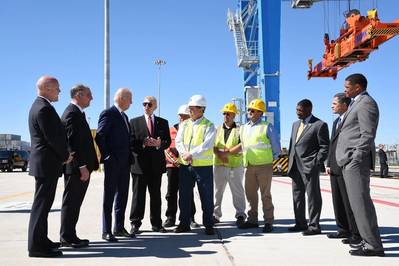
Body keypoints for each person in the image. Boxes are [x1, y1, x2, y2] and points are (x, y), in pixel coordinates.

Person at [336, 73, 384, 256]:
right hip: (349, 162)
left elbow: (367, 134)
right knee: (357, 205)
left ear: (358, 87)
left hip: (355, 163)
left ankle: (374, 245)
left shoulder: (366, 104)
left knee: (361, 204)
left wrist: (355, 157)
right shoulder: (356, 103)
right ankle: (367, 241)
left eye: (347, 86)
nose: (344, 89)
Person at [28, 76, 73, 257]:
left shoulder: (41, 106)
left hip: (46, 164)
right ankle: (36, 247)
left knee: (44, 205)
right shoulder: (43, 109)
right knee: (41, 205)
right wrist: (66, 156)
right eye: (57, 88)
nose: (59, 91)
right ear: (46, 88)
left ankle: (41, 240)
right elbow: (52, 138)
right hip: (47, 164)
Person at [60, 84, 99, 248]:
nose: (91, 98)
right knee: (71, 202)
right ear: (79, 94)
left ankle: (70, 235)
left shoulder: (78, 113)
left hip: (80, 168)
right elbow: (72, 143)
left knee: (75, 203)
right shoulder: (71, 113)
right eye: (89, 95)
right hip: (76, 168)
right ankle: (67, 237)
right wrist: (82, 166)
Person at [95, 88, 134, 242]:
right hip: (113, 163)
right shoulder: (109, 113)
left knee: (122, 196)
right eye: (130, 99)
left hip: (125, 164)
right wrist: (107, 156)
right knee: (109, 196)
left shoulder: (124, 116)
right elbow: (100, 136)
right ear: (122, 98)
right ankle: (106, 230)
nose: (131, 102)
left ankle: (119, 227)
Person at [174, 95, 217, 235]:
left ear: (202, 109)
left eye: (193, 108)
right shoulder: (184, 124)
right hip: (186, 166)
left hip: (203, 167)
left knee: (206, 196)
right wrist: (184, 154)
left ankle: (209, 224)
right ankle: (184, 223)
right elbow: (178, 141)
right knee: (185, 196)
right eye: (190, 108)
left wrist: (191, 154)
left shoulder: (209, 126)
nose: (190, 111)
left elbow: (207, 145)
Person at [238, 99, 280, 233]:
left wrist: (270, 159)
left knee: (265, 195)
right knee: (250, 195)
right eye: (249, 110)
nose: (250, 112)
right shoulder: (243, 128)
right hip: (249, 165)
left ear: (260, 113)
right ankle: (252, 220)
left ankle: (268, 222)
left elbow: (276, 147)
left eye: (253, 110)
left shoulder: (267, 126)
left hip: (264, 166)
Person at [129, 96, 171, 234]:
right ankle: (135, 223)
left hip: (156, 166)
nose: (147, 106)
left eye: (150, 104)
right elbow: (130, 142)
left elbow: (168, 141)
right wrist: (143, 142)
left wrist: (160, 144)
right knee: (138, 196)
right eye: (144, 104)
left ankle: (157, 224)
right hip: (139, 166)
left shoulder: (163, 122)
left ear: (155, 106)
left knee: (156, 196)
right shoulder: (134, 122)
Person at [287, 99, 329, 236]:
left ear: (309, 110)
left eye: (300, 110)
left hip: (309, 167)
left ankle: (314, 226)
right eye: (296, 110)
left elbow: (324, 147)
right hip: (295, 167)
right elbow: (293, 145)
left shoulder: (319, 125)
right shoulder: (295, 125)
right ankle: (300, 223)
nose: (297, 113)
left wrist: (316, 162)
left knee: (313, 196)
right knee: (297, 196)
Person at [325, 93, 360, 244]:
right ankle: (343, 229)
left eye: (334, 103)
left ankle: (355, 233)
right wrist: (328, 163)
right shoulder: (336, 122)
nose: (332, 105)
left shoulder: (351, 120)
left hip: (346, 165)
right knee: (337, 200)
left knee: (348, 201)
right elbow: (333, 145)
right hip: (334, 166)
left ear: (344, 105)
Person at [163, 104, 198, 228]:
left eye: (185, 116)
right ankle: (170, 217)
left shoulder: (192, 129)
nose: (182, 119)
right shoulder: (171, 129)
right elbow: (166, 148)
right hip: (172, 166)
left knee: (188, 193)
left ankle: (190, 217)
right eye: (181, 116)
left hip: (187, 166)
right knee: (171, 193)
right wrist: (175, 160)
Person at [213, 103, 246, 228]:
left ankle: (240, 215)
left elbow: (242, 144)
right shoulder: (217, 129)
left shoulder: (240, 130)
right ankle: (215, 215)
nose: (226, 116)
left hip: (234, 166)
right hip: (219, 165)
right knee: (217, 191)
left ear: (234, 115)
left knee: (237, 191)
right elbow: (212, 144)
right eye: (224, 113)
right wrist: (219, 154)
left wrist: (226, 153)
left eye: (228, 113)